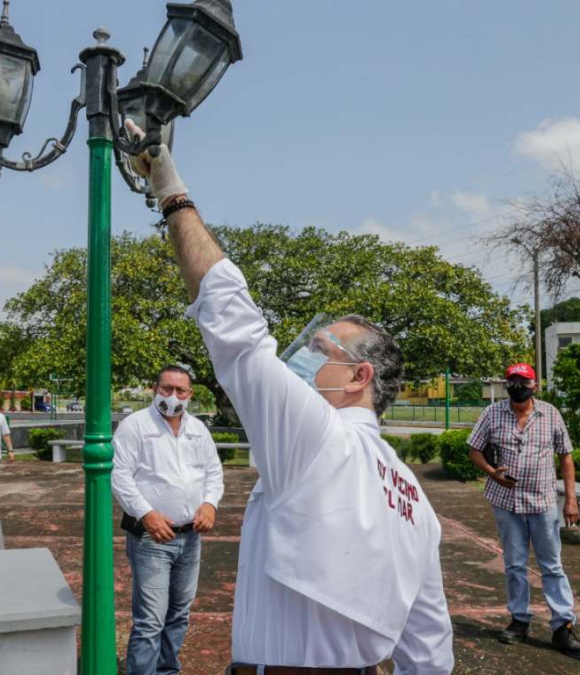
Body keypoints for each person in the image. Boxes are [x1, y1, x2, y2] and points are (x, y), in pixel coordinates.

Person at [125, 120, 453, 674]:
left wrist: (171, 192)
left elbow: (237, 331)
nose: (304, 358)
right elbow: (430, 645)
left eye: (322, 349)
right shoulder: (413, 497)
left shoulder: (321, 440)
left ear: (358, 377)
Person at [466, 363, 580, 660]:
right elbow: (474, 449)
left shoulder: (550, 414)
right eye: (512, 381)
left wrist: (570, 500)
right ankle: (519, 620)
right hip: (506, 502)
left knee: (552, 566)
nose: (518, 386)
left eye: (523, 381)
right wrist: (491, 471)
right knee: (514, 564)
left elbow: (566, 456)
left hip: (543, 502)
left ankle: (563, 626)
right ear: (506, 384)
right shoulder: (492, 413)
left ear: (534, 384)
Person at [111, 365, 224, 675]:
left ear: (190, 394)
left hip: (190, 538)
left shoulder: (198, 429)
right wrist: (145, 512)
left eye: (181, 390)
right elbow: (120, 476)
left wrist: (209, 503)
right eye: (167, 389)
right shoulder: (135, 426)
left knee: (179, 614)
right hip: (151, 539)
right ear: (154, 388)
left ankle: (167, 670)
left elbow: (213, 472)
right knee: (150, 620)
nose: (173, 396)